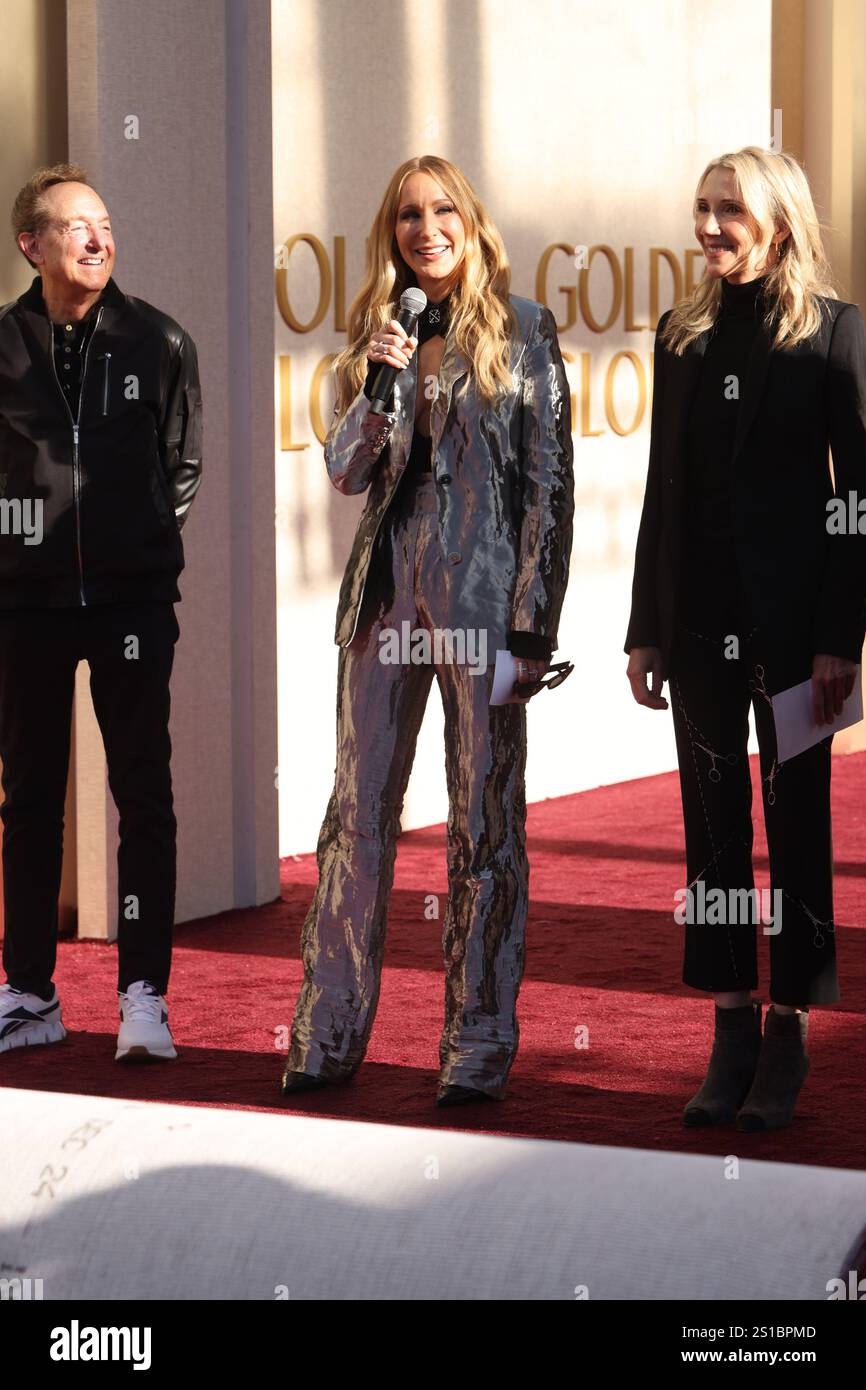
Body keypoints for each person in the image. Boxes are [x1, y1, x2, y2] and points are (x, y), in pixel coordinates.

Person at [281, 155, 574, 1107]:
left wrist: (533, 626)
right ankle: (325, 1036)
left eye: (442, 208)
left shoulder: (525, 332)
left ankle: (477, 1044)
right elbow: (345, 470)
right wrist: (379, 377)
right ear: (392, 233)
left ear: (471, 221)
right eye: (407, 213)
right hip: (383, 606)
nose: (425, 227)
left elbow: (549, 490)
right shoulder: (380, 338)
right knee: (354, 819)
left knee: (484, 825)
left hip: (484, 611)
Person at [626, 146, 866, 1130]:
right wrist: (644, 627)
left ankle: (786, 1030)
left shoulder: (832, 333)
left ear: (776, 221)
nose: (711, 225)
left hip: (796, 628)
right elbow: (659, 490)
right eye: (702, 207)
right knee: (711, 827)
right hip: (697, 626)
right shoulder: (680, 335)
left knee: (795, 822)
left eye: (730, 209)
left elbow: (855, 496)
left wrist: (839, 640)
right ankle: (728, 1029)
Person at [0, 164, 202, 1061]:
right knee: (31, 803)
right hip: (27, 609)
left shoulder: (157, 339)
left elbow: (181, 467)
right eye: (75, 226)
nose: (96, 238)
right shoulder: (1, 347)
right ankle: (31, 993)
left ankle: (143, 997)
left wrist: (136, 546)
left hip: (130, 605)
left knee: (143, 800)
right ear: (30, 244)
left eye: (105, 223)